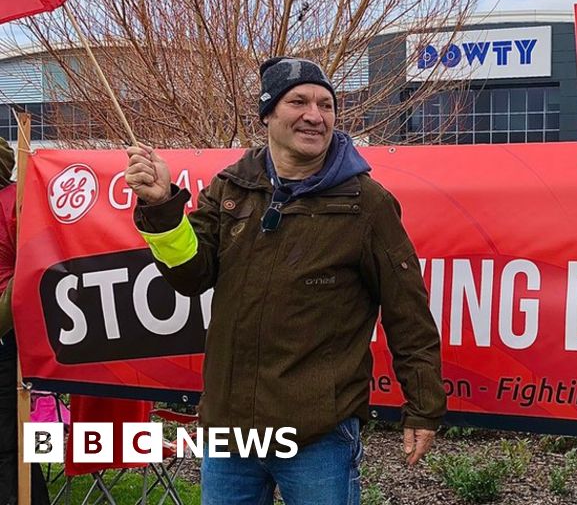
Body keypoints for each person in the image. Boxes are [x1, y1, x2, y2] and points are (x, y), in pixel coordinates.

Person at [125, 57, 446, 505]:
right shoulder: (231, 188)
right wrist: (162, 208)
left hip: (318, 434)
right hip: (229, 432)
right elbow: (190, 275)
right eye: (298, 101)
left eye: (327, 105)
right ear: (268, 115)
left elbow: (407, 312)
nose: (315, 115)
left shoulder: (366, 204)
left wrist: (424, 407)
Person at [0, 137, 50, 505]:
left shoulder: (15, 203)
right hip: (13, 335)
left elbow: (32, 264)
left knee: (11, 450)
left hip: (8, 339)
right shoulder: (15, 201)